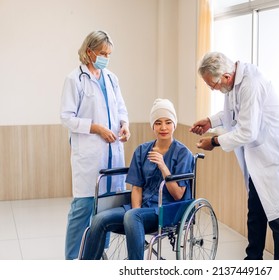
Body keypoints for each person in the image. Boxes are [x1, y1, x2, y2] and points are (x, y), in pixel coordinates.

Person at [190, 51, 279, 260]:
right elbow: (234, 113)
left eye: (212, 86)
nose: (214, 90)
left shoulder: (252, 83)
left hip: (273, 160)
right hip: (257, 162)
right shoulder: (233, 85)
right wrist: (210, 121)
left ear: (225, 76)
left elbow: (247, 131)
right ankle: (253, 260)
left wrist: (213, 142)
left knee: (278, 221)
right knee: (255, 214)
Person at [80, 98, 194, 260]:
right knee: (99, 219)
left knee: (132, 216)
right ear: (152, 126)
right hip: (140, 209)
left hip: (166, 211)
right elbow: (137, 188)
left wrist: (163, 166)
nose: (163, 127)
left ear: (174, 124)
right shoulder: (142, 151)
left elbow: (178, 195)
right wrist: (136, 210)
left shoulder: (183, 154)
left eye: (168, 122)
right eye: (158, 122)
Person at [60, 30, 130, 260]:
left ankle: (98, 252)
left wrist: (125, 125)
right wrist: (96, 128)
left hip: (112, 152)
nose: (106, 58)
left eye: (109, 54)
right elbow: (67, 117)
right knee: (83, 208)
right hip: (90, 154)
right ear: (89, 52)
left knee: (107, 208)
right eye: (102, 53)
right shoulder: (75, 79)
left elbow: (120, 108)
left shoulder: (111, 78)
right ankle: (72, 258)